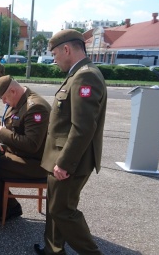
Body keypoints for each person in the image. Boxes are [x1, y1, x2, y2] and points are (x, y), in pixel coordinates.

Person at [33, 29, 107, 255]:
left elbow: (83, 127)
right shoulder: (77, 74)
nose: (53, 59)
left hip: (70, 160)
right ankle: (53, 250)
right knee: (55, 206)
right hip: (60, 156)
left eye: (54, 53)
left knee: (62, 210)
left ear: (67, 49)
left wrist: (64, 163)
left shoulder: (86, 76)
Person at [0, 76, 50, 222]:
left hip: (35, 163)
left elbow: (31, 145)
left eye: (3, 98)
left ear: (13, 91)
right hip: (20, 155)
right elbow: (6, 122)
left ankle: (11, 207)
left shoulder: (35, 107)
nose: (3, 102)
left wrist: (0, 132)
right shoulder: (19, 100)